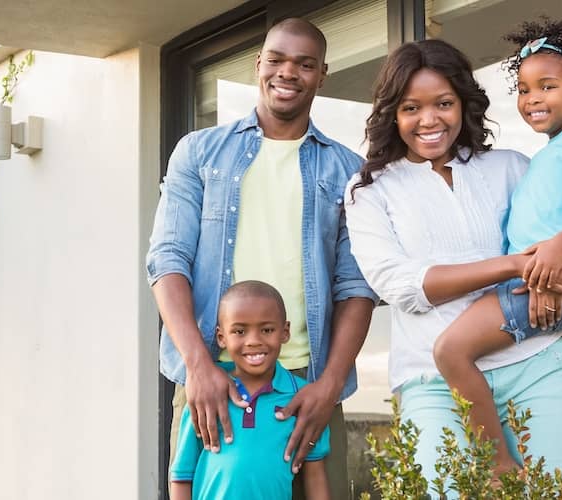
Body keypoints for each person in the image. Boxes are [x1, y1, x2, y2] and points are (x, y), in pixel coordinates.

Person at [343, 38, 562, 488]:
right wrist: (516, 265)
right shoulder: (370, 190)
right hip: (434, 385)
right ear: (392, 113)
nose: (429, 120)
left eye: (444, 103)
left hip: (541, 368)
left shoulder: (512, 166)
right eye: (411, 107)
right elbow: (400, 285)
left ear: (463, 105)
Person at [146, 17, 377, 498]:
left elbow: (356, 287)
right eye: (276, 60)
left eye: (304, 64)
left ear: (322, 74)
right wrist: (198, 368)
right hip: (212, 383)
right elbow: (167, 261)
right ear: (258, 65)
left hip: (308, 388)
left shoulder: (347, 170)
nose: (287, 73)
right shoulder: (199, 153)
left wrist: (329, 385)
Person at [431, 17, 562, 476]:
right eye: (524, 90)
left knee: (450, 351)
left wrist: (559, 251)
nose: (533, 99)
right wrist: (542, 269)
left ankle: (499, 463)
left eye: (547, 86)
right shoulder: (546, 156)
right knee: (454, 349)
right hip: (552, 278)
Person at [170, 281, 331, 500]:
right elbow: (182, 476)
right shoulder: (207, 395)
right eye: (239, 331)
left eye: (266, 330)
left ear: (285, 332)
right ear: (221, 337)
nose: (253, 341)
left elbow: (314, 477)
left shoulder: (301, 398)